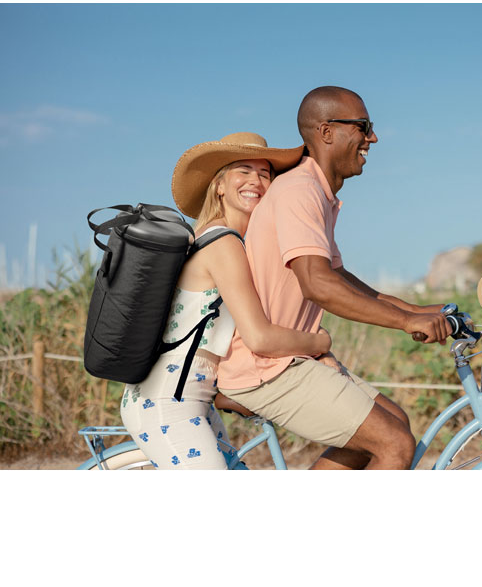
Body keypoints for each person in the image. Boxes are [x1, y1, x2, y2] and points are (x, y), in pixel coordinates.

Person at [217, 87, 451, 469]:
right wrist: (405, 322)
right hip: (267, 367)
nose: (373, 138)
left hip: (291, 358)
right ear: (327, 132)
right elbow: (318, 284)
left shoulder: (316, 192)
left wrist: (416, 309)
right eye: (364, 127)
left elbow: (338, 276)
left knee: (396, 422)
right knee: (394, 444)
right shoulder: (299, 190)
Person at [120, 132, 332, 469]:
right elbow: (259, 337)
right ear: (219, 185)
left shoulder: (234, 244)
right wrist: (320, 343)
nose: (256, 181)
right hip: (167, 400)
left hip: (195, 398)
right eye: (243, 171)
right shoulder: (223, 244)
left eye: (265, 174)